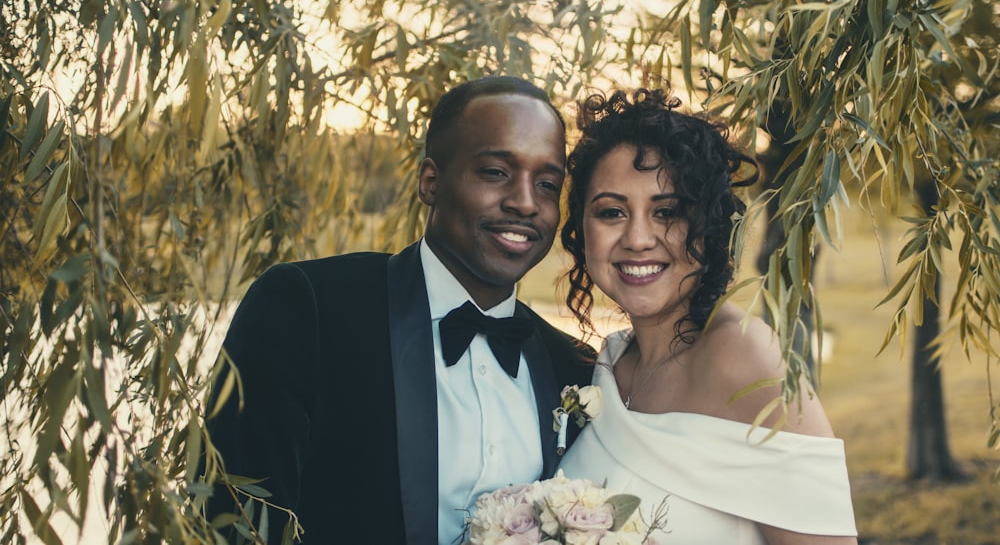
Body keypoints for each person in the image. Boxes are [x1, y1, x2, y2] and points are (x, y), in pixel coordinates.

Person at [203, 76, 595, 545]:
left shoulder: (572, 366)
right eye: (495, 172)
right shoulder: (307, 307)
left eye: (548, 183)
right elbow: (235, 520)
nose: (525, 202)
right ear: (431, 181)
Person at [556, 88, 858, 544]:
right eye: (612, 212)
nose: (638, 238)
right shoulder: (610, 366)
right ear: (583, 230)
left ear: (711, 224)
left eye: (667, 212)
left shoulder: (746, 358)